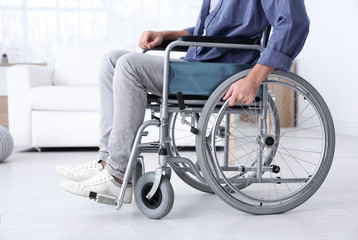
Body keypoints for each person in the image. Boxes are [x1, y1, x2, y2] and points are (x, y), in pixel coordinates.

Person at [56, 0, 310, 203]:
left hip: (224, 72)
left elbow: (294, 24)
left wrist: (253, 80)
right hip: (201, 64)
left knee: (129, 65)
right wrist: (165, 35)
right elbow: (209, 34)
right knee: (112, 59)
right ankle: (107, 161)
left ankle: (117, 177)